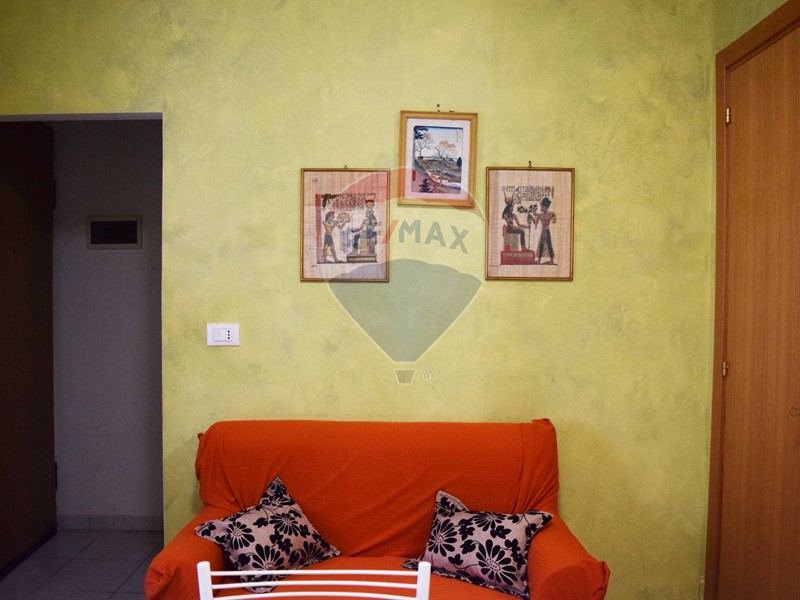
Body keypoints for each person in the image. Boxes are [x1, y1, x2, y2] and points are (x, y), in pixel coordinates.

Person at [530, 197, 556, 264]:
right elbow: (535, 222)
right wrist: (532, 217)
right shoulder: (540, 215)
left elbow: (547, 218)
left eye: (543, 207)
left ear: (546, 207)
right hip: (543, 232)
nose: (541, 208)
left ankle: (551, 260)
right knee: (541, 245)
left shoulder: (551, 213)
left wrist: (537, 215)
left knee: (549, 245)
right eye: (541, 207)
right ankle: (539, 260)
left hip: (547, 231)